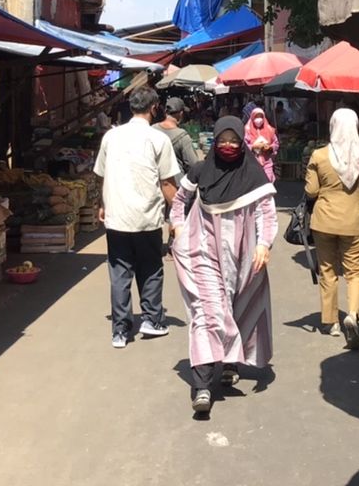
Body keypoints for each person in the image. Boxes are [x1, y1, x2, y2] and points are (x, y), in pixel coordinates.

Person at [169, 117, 278, 416]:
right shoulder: (202, 170)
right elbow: (180, 201)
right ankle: (202, 385)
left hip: (242, 256)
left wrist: (263, 244)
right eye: (223, 139)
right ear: (215, 140)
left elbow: (266, 213)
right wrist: (178, 228)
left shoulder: (253, 174)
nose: (228, 145)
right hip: (203, 251)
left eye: (233, 140)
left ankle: (230, 364)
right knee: (208, 311)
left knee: (235, 307)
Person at [94, 87, 182, 349]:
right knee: (151, 269)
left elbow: (103, 174)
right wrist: (178, 214)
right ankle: (152, 320)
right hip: (147, 217)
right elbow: (167, 183)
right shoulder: (158, 140)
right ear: (154, 108)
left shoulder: (111, 136)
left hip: (117, 216)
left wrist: (102, 204)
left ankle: (120, 330)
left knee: (120, 272)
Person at [305, 108, 359, 351]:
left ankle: (330, 321)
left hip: (324, 221)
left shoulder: (319, 156)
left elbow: (311, 191)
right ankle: (353, 315)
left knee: (327, 270)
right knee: (355, 272)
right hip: (355, 220)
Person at [157, 97, 203, 175]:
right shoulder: (182, 136)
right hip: (175, 182)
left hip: (154, 179)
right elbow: (193, 164)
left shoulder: (152, 129)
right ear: (181, 114)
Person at [244, 107, 279, 183]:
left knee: (267, 183)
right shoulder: (247, 130)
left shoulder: (269, 129)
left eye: (260, 117)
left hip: (267, 163)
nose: (259, 119)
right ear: (252, 117)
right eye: (256, 117)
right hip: (252, 163)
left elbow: (276, 143)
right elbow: (244, 145)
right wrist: (253, 147)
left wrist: (270, 148)